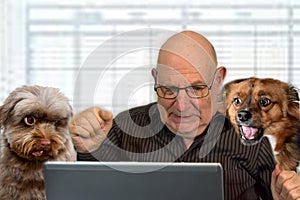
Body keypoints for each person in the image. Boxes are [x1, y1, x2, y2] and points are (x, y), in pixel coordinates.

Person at [69, 30, 300, 200]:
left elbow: (279, 192)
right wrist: (89, 152)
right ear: (155, 79)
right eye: (168, 89)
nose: (181, 106)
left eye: (197, 89)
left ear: (218, 80)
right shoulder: (122, 128)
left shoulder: (251, 138)